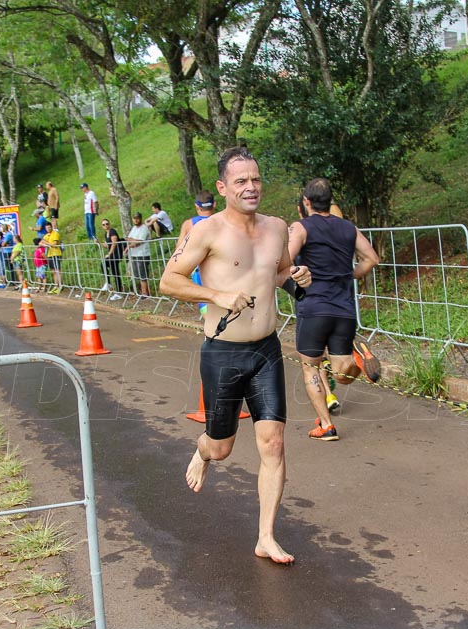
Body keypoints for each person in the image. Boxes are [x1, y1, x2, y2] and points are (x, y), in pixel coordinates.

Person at [159, 146, 312, 566]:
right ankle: (203, 451)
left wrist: (298, 277)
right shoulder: (206, 230)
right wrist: (216, 294)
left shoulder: (278, 227)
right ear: (223, 187)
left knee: (273, 443)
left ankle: (266, 536)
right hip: (222, 353)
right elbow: (168, 281)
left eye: (256, 179)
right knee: (222, 447)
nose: (251, 187)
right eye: (241, 181)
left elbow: (278, 273)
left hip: (266, 349)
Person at [288, 178, 381, 441]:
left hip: (314, 307)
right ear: (330, 201)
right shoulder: (348, 228)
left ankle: (327, 425)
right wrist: (349, 275)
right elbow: (372, 258)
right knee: (341, 373)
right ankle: (356, 360)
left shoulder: (301, 227)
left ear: (306, 202)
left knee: (311, 368)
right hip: (344, 309)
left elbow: (284, 259)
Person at [176, 190, 217, 320]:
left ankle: (214, 336)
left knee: (206, 306)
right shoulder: (223, 221)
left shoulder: (189, 224)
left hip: (200, 270)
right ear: (214, 204)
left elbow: (179, 250)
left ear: (196, 205)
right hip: (224, 268)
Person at [125, 212, 152, 298]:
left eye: (137, 218)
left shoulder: (144, 228)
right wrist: (132, 242)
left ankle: (146, 292)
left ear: (140, 218)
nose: (136, 220)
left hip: (142, 253)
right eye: (134, 218)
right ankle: (142, 291)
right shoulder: (134, 228)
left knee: (143, 274)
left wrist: (132, 242)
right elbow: (128, 239)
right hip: (135, 254)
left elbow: (140, 241)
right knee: (138, 274)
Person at [100, 218, 125, 299]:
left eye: (107, 224)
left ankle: (118, 290)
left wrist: (109, 254)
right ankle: (110, 283)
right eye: (103, 224)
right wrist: (99, 243)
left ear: (109, 224)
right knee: (109, 268)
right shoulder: (106, 234)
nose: (106, 226)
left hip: (116, 254)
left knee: (114, 271)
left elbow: (114, 243)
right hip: (112, 255)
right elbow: (108, 245)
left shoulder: (112, 231)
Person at [40, 222, 63, 294]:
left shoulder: (55, 234)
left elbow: (54, 244)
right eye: (47, 228)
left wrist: (46, 244)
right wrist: (47, 244)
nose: (48, 229)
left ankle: (60, 285)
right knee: (53, 271)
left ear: (51, 227)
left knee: (58, 270)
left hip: (56, 253)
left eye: (49, 227)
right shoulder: (46, 235)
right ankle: (55, 286)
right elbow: (40, 243)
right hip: (50, 254)